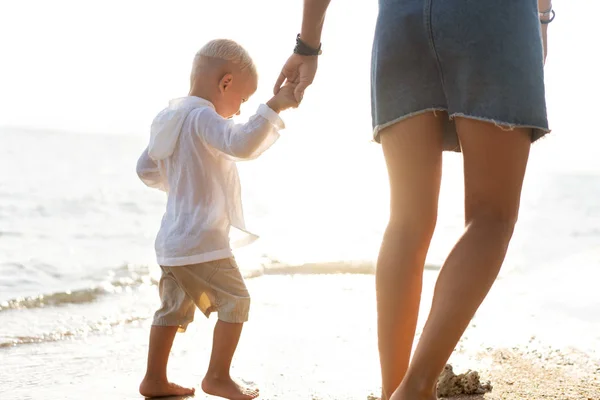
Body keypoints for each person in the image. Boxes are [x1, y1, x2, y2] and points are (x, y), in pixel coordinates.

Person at [274, 1, 555, 399]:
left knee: (407, 220)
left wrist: (307, 46)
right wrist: (541, 18)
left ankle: (394, 388)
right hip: (493, 18)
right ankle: (415, 389)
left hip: (401, 22)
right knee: (491, 218)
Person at [137, 38, 298, 399]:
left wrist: (182, 178)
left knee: (172, 309)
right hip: (202, 240)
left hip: (171, 242)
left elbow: (145, 168)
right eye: (241, 100)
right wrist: (273, 107)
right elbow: (240, 143)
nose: (239, 111)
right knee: (236, 301)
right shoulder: (203, 117)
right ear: (225, 83)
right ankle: (217, 376)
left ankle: (154, 379)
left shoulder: (169, 117)